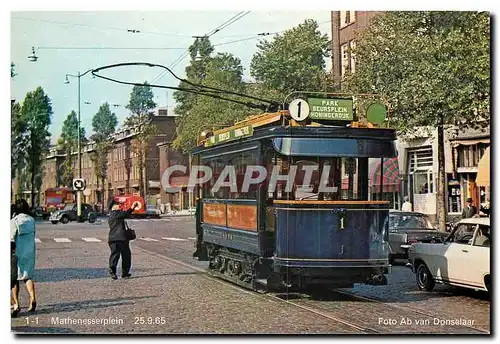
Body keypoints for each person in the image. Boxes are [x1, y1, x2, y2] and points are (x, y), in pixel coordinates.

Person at [11, 199, 37, 316]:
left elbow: (11, 239)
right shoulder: (32, 221)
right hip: (29, 252)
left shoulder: (14, 221)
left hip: (16, 253)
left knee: (14, 279)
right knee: (28, 276)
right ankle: (32, 298)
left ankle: (16, 304)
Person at [107, 199, 139, 280]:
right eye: (118, 204)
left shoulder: (112, 215)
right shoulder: (115, 214)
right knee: (123, 256)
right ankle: (118, 272)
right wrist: (132, 207)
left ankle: (118, 272)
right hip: (120, 239)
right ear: (113, 206)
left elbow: (125, 215)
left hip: (115, 239)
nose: (119, 206)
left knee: (118, 256)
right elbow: (126, 213)